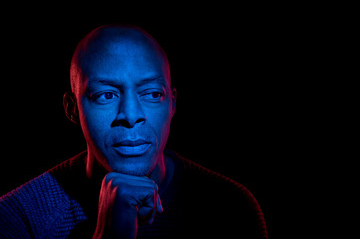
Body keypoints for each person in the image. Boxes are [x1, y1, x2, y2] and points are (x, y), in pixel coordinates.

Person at [0, 24, 268, 238]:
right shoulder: (18, 216)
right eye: (105, 95)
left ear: (172, 103)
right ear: (72, 109)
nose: (130, 115)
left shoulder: (232, 208)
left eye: (152, 94)